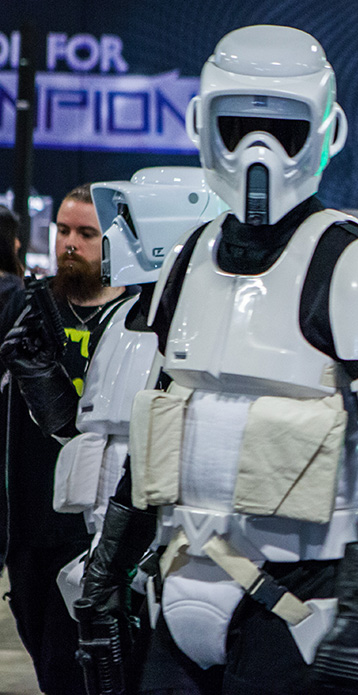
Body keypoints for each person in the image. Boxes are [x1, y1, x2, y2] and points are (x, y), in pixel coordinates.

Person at [76, 25, 358, 695]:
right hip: (179, 585)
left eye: (281, 129)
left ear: (326, 131)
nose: (258, 150)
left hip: (298, 602)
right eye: (239, 126)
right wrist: (105, 572)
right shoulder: (186, 258)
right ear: (203, 122)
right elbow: (156, 432)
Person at [50, 167, 227, 624]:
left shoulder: (208, 319)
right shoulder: (122, 315)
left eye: (128, 220)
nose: (114, 235)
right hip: (104, 539)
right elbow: (91, 431)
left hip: (176, 547)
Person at [0, 185, 134, 695]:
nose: (69, 243)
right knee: (47, 665)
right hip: (29, 528)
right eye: (62, 230)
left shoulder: (134, 322)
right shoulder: (26, 310)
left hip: (92, 532)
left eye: (86, 233)